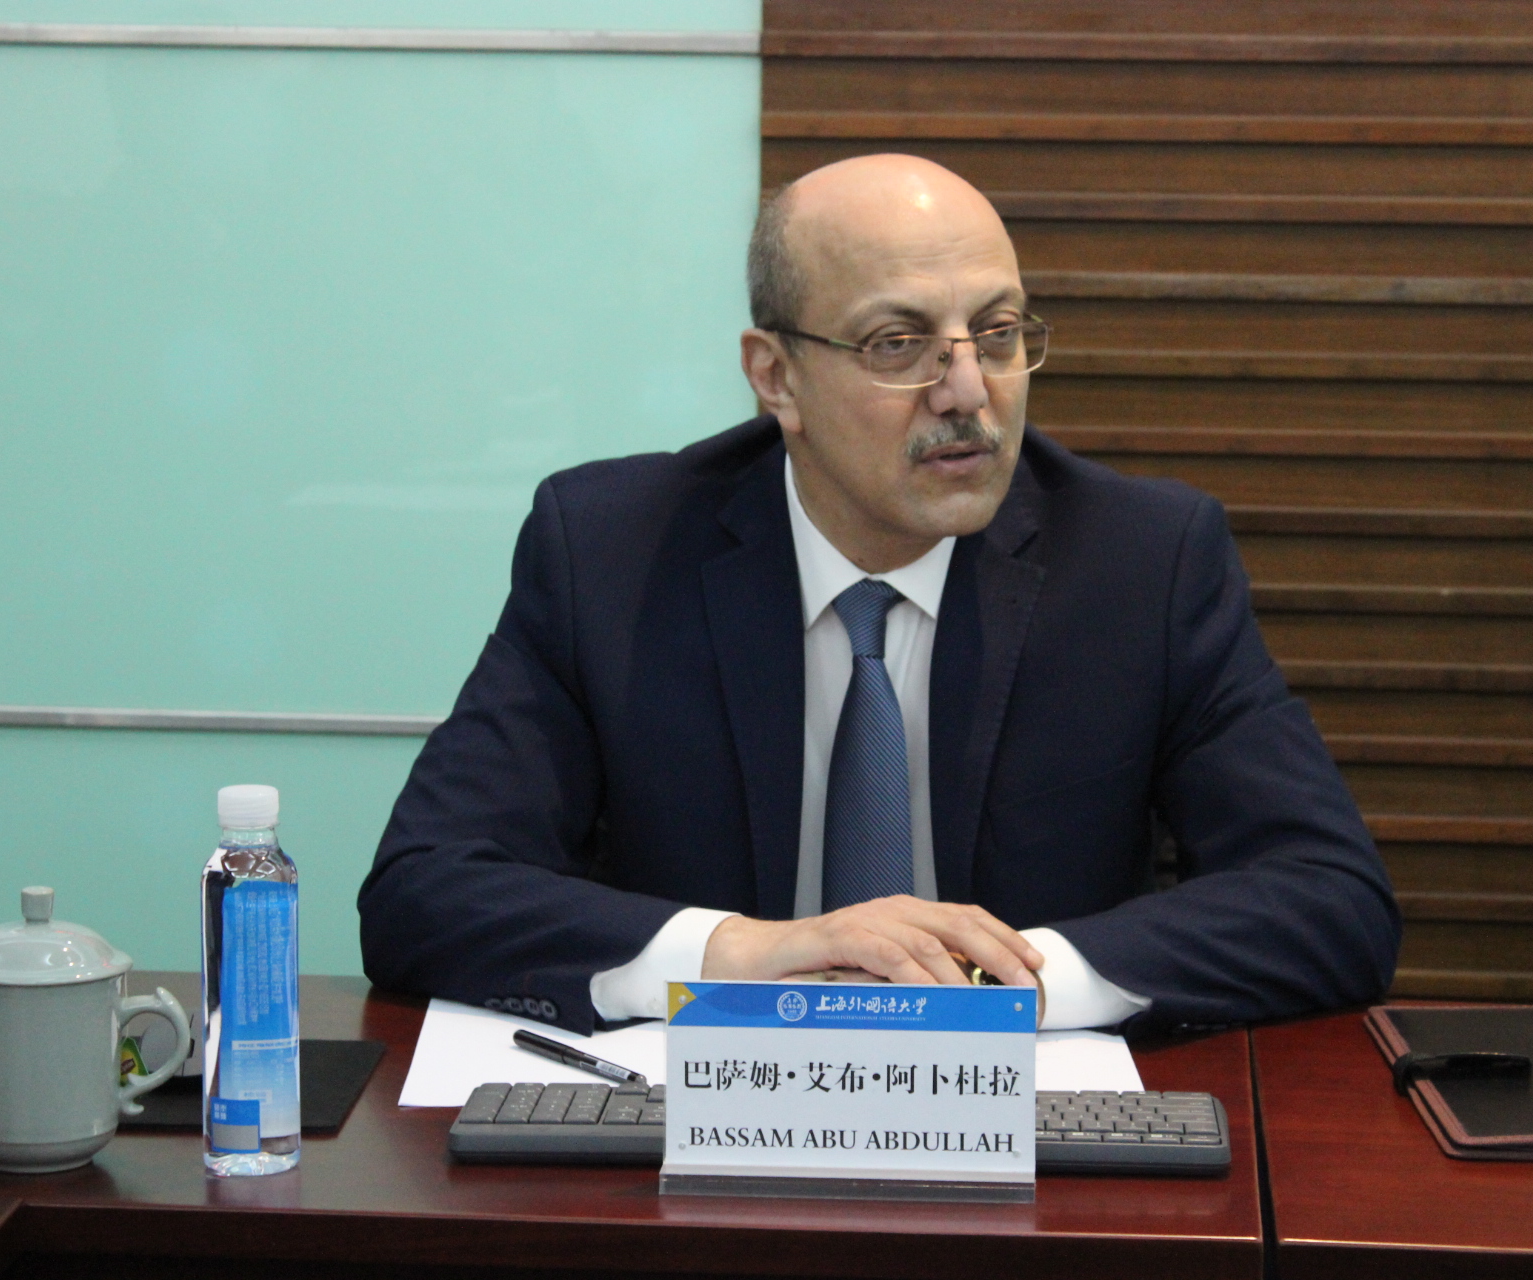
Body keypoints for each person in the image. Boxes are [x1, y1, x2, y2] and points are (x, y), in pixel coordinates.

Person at [359, 154, 1401, 1036]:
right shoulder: (611, 552)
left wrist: (1006, 983)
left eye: (997, 333)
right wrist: (738, 953)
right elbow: (425, 887)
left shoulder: (1142, 563)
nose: (967, 391)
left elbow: (1331, 899)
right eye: (899, 345)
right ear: (776, 378)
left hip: (1030, 1148)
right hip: (699, 1142)